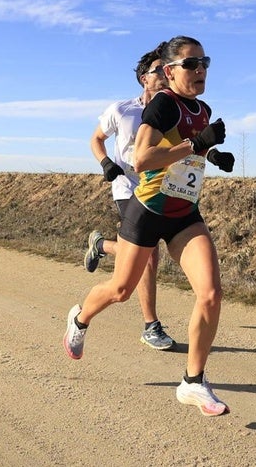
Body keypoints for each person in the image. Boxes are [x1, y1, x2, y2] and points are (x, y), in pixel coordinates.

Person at [64, 36, 236, 416]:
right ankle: (80, 317)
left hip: (185, 213)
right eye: (191, 64)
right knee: (121, 289)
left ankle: (193, 382)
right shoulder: (162, 104)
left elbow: (194, 147)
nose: (200, 69)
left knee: (210, 294)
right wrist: (195, 145)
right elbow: (142, 160)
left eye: (205, 61)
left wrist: (213, 153)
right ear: (170, 71)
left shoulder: (202, 109)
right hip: (149, 209)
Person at [84, 46, 175, 351]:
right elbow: (96, 138)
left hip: (162, 188)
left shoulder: (175, 110)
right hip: (128, 188)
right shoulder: (122, 110)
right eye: (158, 70)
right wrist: (106, 163)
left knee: (134, 253)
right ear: (143, 78)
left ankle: (100, 245)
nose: (165, 75)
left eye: (169, 69)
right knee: (149, 255)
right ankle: (151, 325)